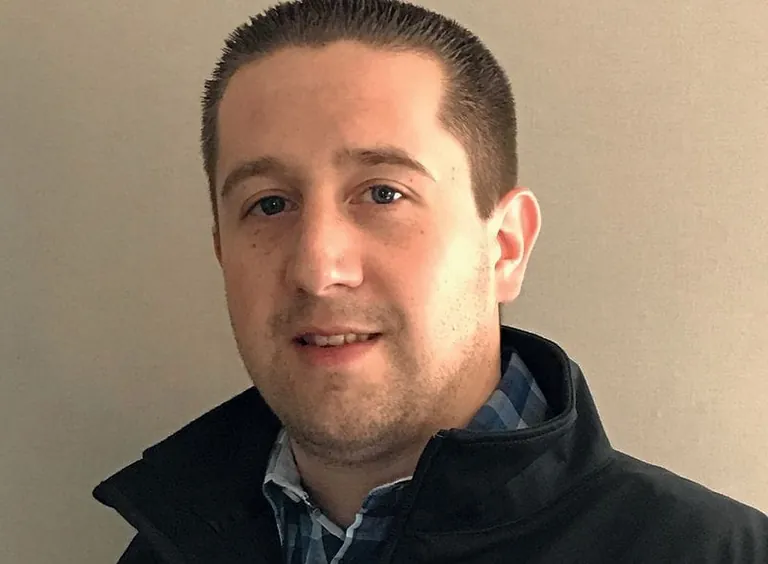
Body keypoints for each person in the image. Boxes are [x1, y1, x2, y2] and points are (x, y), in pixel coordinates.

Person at [92, 1, 768, 562]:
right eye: (269, 204)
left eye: (383, 194)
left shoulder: (718, 553)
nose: (318, 269)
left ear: (505, 246)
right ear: (221, 252)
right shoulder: (162, 548)